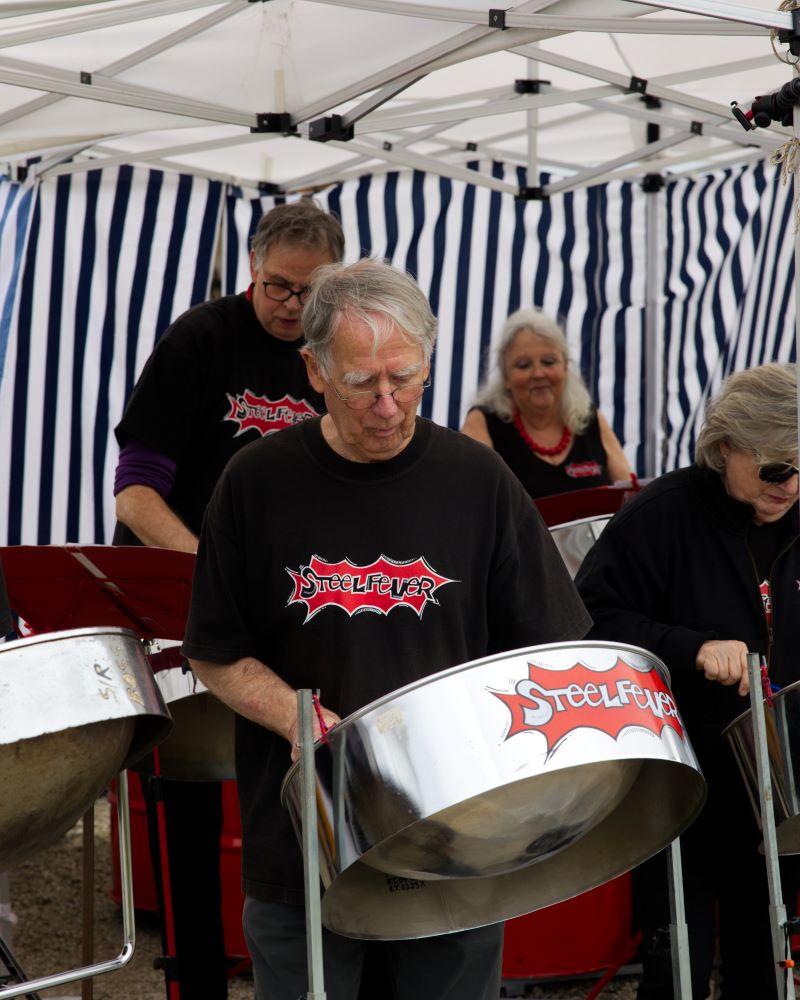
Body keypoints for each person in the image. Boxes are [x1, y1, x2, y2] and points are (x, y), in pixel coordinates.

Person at [180, 257, 593, 1000]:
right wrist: (297, 719)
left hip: (457, 841)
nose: (386, 405)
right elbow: (215, 649)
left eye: (404, 379)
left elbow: (548, 651)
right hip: (304, 846)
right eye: (360, 383)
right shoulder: (253, 483)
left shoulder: (479, 482)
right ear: (314, 370)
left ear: (428, 363)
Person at [112, 198, 345, 1000]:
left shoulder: (335, 351)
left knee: (297, 793)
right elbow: (135, 496)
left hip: (291, 608)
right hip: (190, 604)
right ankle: (198, 981)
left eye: (310, 291)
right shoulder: (200, 339)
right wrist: (212, 572)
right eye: (278, 286)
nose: (291, 305)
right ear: (252, 267)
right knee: (190, 810)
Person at [574, 362, 800, 1000]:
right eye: (776, 469)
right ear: (725, 447)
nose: (790, 486)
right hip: (681, 785)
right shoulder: (660, 516)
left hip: (777, 784)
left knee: (768, 962)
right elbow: (588, 623)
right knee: (678, 971)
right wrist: (690, 648)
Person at [460, 307, 631, 498]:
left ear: (566, 367)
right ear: (506, 376)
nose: (538, 373)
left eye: (549, 362)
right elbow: (470, 497)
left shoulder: (590, 418)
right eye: (523, 365)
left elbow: (630, 494)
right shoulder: (483, 421)